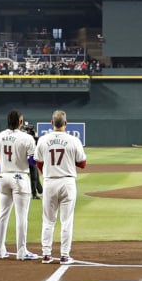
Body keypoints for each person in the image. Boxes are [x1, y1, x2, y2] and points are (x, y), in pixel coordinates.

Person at [37, 110, 88, 264]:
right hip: (67, 182)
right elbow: (83, 163)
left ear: (51, 123)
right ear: (66, 124)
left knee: (48, 220)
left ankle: (46, 254)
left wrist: (46, 171)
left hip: (49, 182)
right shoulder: (74, 140)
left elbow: (38, 161)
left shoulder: (43, 140)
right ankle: (64, 255)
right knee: (66, 221)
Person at [0, 110, 38, 259]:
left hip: (3, 177)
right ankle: (21, 251)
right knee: (21, 216)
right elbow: (32, 162)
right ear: (20, 122)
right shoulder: (27, 138)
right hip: (20, 177)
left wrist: (0, 171)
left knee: (2, 215)